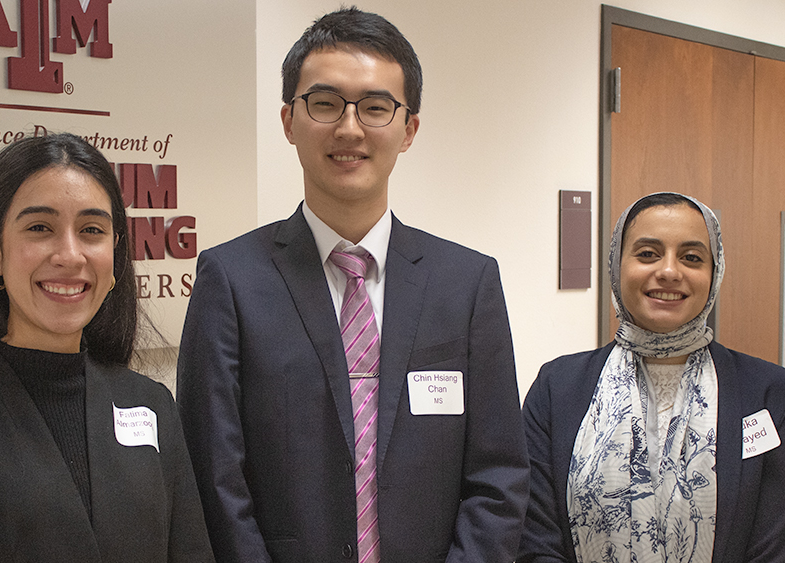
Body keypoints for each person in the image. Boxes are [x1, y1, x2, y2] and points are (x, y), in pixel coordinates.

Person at [177, 7, 528, 562]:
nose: (349, 127)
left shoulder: (467, 283)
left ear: (408, 129)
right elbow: (215, 475)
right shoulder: (231, 279)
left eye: (375, 107)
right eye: (324, 103)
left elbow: (499, 473)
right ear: (289, 121)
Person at [0, 133, 214, 562]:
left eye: (91, 230)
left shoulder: (150, 403)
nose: (70, 255)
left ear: (115, 251)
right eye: (39, 228)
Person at [518, 192, 785, 563]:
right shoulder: (557, 387)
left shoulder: (768, 392)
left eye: (691, 257)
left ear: (714, 272)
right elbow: (537, 538)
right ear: (616, 265)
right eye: (647, 254)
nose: (670, 271)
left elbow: (776, 545)